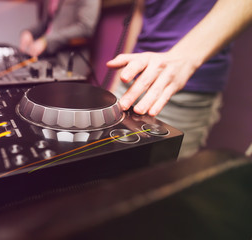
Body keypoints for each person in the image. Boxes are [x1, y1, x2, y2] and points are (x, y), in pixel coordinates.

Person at [107, 0, 252, 158]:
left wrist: (183, 58)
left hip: (184, 88)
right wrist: (120, 77)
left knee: (159, 174)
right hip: (134, 78)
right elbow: (141, 11)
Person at [19, 0, 101, 76]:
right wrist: (29, 32)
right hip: (46, 58)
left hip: (68, 62)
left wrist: (47, 41)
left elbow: (85, 28)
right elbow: (48, 22)